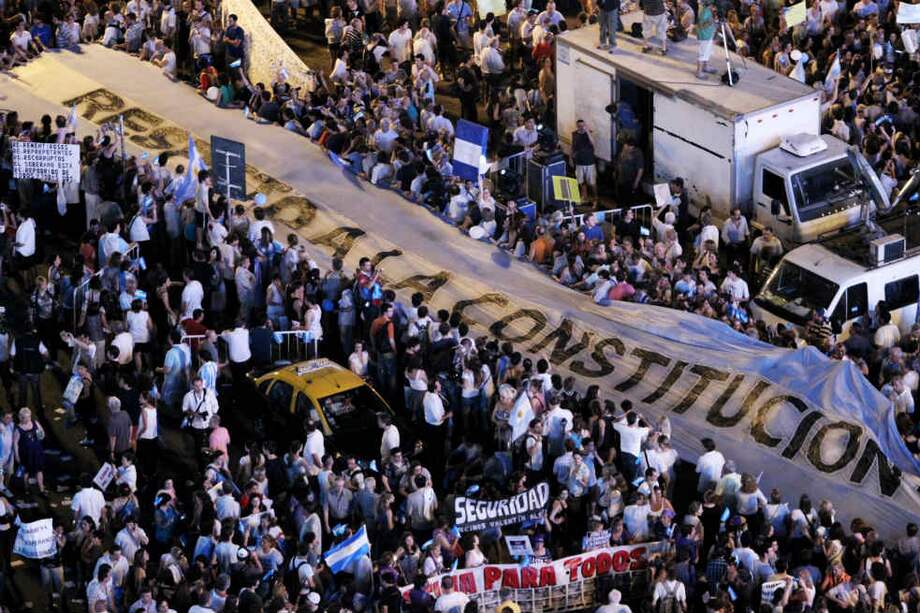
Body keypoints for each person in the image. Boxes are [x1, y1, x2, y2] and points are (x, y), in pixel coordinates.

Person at [13, 407, 46, 494]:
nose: (28, 419)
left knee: (39, 470)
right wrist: (17, 456)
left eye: (29, 417)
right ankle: (26, 488)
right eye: (25, 417)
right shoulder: (18, 429)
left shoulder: (35, 423)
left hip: (37, 452)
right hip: (26, 454)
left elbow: (42, 433)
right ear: (21, 417)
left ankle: (41, 488)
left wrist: (40, 437)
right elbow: (15, 444)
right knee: (26, 472)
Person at [695, 0, 718, 79]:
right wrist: (710, 22)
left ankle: (705, 67)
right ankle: (699, 72)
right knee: (702, 54)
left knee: (707, 52)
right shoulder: (704, 11)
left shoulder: (707, 10)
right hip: (704, 36)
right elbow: (700, 25)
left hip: (708, 35)